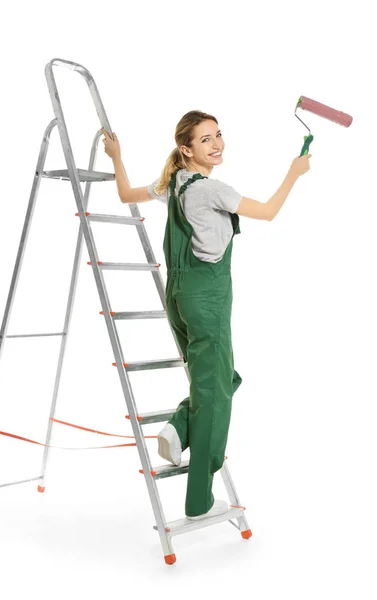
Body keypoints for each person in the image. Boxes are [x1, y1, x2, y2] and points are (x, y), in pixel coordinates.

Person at [101, 110, 311, 520]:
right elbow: (268, 211)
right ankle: (198, 499)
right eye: (205, 140)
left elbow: (125, 194)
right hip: (208, 297)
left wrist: (115, 156)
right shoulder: (212, 190)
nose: (217, 145)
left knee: (219, 379)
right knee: (214, 393)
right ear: (186, 149)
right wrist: (295, 172)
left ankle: (178, 427)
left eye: (218, 135)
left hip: (177, 297)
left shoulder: (172, 183)